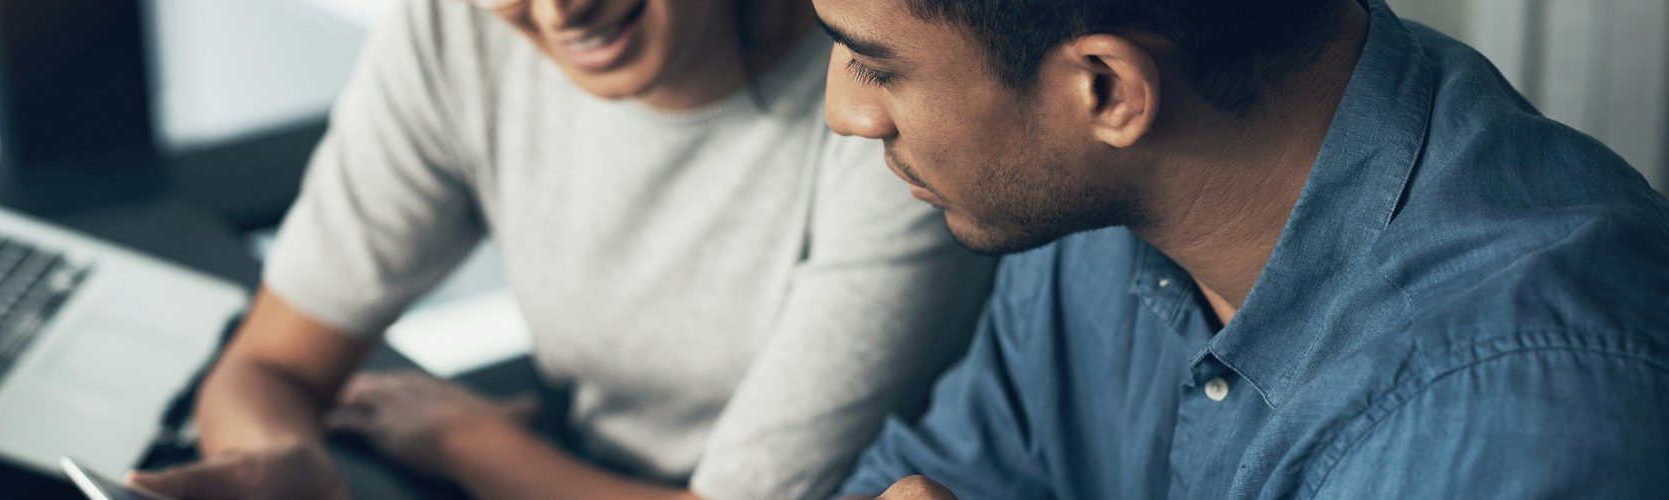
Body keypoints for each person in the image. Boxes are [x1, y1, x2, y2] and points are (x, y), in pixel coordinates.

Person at [128, 0, 995, 498]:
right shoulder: (457, 29)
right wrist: (286, 463)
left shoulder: (879, 112)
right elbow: (265, 367)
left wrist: (467, 445)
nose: (557, 11)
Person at [813, 0, 1669, 498]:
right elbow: (926, 476)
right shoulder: (1090, 203)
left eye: (876, 66)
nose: (843, 112)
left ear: (1106, 90)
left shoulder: (1511, 419)